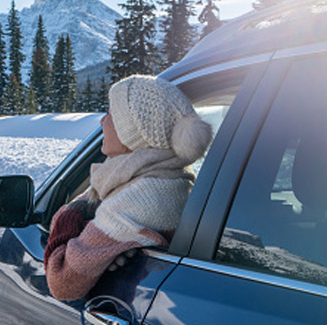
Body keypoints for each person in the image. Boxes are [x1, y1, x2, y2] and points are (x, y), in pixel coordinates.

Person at [43, 75, 213, 301]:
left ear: (130, 131)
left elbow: (62, 282)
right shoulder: (175, 179)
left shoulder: (136, 201)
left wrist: (71, 213)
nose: (102, 121)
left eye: (111, 114)